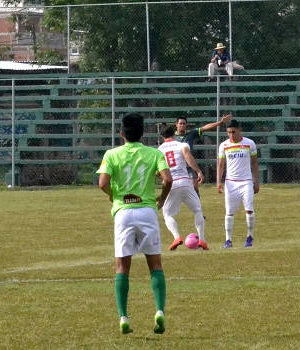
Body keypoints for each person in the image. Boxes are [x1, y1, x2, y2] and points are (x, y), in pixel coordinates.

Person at [96, 113, 173, 334]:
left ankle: (123, 316)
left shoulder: (112, 154)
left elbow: (102, 183)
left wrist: (114, 196)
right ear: (142, 133)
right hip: (147, 210)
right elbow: (168, 179)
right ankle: (159, 311)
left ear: (122, 133)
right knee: (155, 264)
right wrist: (162, 199)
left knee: (122, 266)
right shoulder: (154, 153)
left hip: (123, 212)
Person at [157, 125, 208, 251]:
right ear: (174, 134)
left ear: (162, 136)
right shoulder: (182, 145)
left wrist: (161, 177)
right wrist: (198, 171)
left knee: (167, 214)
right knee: (197, 210)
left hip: (171, 184)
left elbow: (157, 171)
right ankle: (202, 240)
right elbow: (187, 157)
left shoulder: (159, 150)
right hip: (185, 182)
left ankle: (176, 237)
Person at [216, 119, 259, 249]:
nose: (231, 135)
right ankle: (228, 240)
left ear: (239, 130)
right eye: (229, 132)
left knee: (249, 209)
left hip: (246, 182)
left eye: (233, 132)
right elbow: (221, 165)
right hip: (230, 183)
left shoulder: (249, 143)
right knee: (229, 212)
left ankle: (249, 237)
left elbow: (255, 163)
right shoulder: (224, 145)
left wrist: (256, 181)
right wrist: (218, 181)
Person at [175, 114, 232, 195]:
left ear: (186, 125)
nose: (182, 125)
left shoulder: (190, 134)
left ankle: (196, 202)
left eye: (184, 123)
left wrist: (221, 122)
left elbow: (205, 127)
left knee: (195, 187)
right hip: (176, 167)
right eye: (180, 123)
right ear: (176, 124)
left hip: (188, 166)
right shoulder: (171, 137)